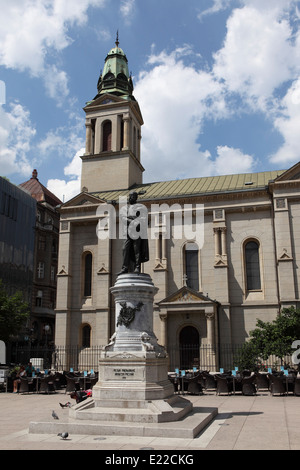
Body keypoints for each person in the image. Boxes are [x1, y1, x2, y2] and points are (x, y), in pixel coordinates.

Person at [118, 191, 149, 274]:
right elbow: (123, 218)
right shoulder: (125, 208)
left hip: (137, 231)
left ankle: (137, 267)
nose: (132, 198)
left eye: (134, 197)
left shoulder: (141, 207)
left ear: (136, 198)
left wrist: (138, 222)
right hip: (128, 231)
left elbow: (145, 218)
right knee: (125, 248)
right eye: (131, 196)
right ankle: (124, 268)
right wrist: (133, 222)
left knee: (137, 249)